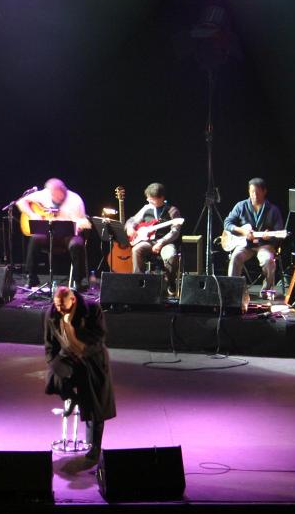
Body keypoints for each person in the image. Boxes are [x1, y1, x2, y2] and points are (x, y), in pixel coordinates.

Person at [44, 286, 116, 465]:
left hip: (91, 357)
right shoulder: (52, 314)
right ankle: (72, 398)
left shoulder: (91, 310)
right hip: (68, 356)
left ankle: (95, 447)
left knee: (95, 403)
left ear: (73, 300)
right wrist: (53, 362)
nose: (59, 309)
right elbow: (50, 344)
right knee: (54, 376)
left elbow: (99, 339)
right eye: (57, 305)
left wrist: (71, 328)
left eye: (63, 306)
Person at [17, 178, 92, 290]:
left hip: (68, 236)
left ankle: (78, 281)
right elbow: (21, 202)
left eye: (56, 194)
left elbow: (84, 221)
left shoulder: (75, 200)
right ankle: (31, 278)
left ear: (63, 190)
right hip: (50, 233)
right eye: (51, 194)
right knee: (35, 238)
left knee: (77, 244)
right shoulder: (45, 194)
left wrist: (79, 225)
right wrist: (32, 214)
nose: (53, 197)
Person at [223, 177, 284, 293]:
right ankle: (233, 291)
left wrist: (270, 236)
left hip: (264, 245)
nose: (254, 195)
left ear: (264, 191)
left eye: (257, 192)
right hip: (245, 244)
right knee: (235, 257)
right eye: (252, 192)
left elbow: (279, 232)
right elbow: (227, 223)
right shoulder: (241, 206)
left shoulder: (273, 210)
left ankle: (267, 290)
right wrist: (243, 231)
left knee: (268, 260)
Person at [125, 183, 182, 294]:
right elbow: (132, 220)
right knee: (136, 249)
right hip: (149, 241)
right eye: (148, 198)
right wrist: (130, 227)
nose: (148, 200)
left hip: (166, 242)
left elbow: (175, 232)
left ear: (161, 198)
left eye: (151, 198)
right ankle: (139, 282)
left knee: (171, 254)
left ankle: (170, 284)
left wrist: (161, 242)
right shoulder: (146, 208)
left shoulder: (172, 211)